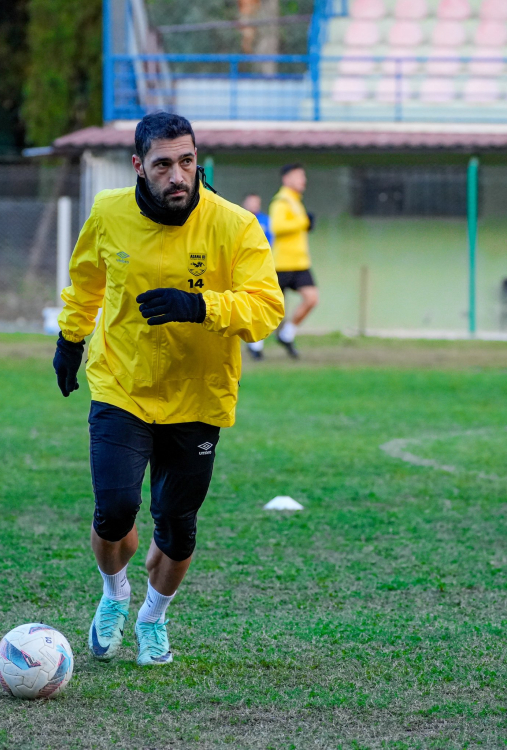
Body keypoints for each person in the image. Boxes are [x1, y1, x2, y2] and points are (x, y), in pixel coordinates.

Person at [52, 112, 284, 667]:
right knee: (115, 509)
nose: (178, 175)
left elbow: (267, 309)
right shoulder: (109, 212)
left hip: (198, 395)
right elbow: (88, 280)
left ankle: (153, 617)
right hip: (122, 384)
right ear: (138, 166)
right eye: (163, 165)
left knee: (177, 529)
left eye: (187, 161)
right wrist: (69, 337)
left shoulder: (236, 226)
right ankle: (114, 596)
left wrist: (200, 305)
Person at [268, 163, 319, 359]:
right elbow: (278, 226)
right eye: (299, 176)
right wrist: (303, 221)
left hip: (300, 264)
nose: (303, 180)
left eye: (303, 176)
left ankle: (287, 334)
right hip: (282, 264)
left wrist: (303, 223)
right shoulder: (281, 201)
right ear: (287, 179)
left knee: (312, 298)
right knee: (272, 309)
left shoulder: (297, 201)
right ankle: (255, 345)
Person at [242, 193, 273, 361]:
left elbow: (271, 242)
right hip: (241, 269)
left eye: (257, 202)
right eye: (251, 201)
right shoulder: (238, 218)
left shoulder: (266, 221)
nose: (254, 204)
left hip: (260, 270)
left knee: (260, 306)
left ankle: (256, 345)